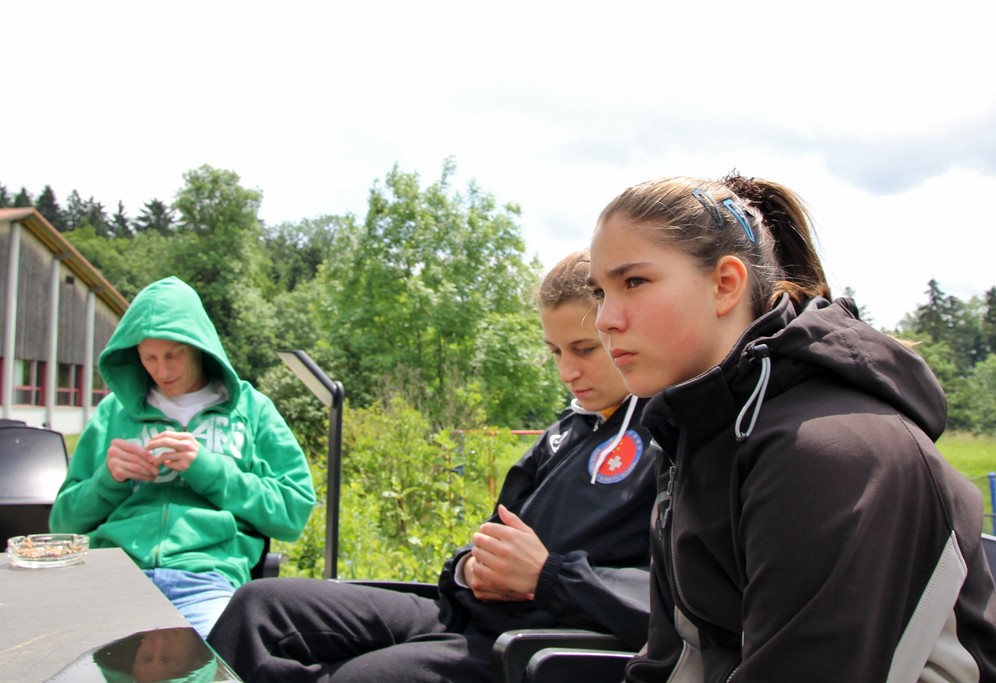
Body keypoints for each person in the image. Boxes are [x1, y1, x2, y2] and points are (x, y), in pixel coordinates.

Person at [587, 173, 996, 682]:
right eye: (600, 292)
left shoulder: (833, 452)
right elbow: (675, 659)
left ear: (725, 284)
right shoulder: (690, 436)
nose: (605, 319)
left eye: (634, 282)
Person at [206, 249, 660, 682]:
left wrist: (549, 577)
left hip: (533, 645)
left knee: (357, 677)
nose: (566, 372)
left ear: (619, 331)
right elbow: (492, 532)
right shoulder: (565, 433)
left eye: (584, 350)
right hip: (462, 612)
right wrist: (469, 567)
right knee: (258, 607)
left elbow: (671, 605)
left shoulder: (668, 440)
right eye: (556, 352)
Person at [50, 276, 316, 639]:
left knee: (212, 661)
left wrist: (209, 470)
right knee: (64, 658)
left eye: (173, 355)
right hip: (114, 577)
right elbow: (62, 523)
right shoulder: (113, 412)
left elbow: (293, 513)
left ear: (199, 347)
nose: (162, 370)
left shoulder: (252, 410)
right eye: (149, 357)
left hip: (205, 580)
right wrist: (107, 481)